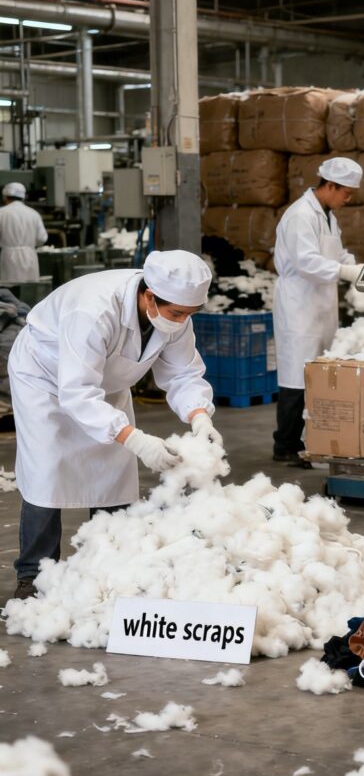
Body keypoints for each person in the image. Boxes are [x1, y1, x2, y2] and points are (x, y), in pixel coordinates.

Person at [6, 250, 220, 601]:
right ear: (149, 296)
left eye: (190, 314)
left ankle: (110, 563)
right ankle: (33, 575)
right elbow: (76, 392)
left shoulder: (175, 314)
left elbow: (183, 372)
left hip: (107, 382)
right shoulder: (93, 311)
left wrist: (200, 416)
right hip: (46, 380)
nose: (182, 321)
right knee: (47, 472)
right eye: (177, 313)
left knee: (114, 475)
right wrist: (136, 440)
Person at [272, 156, 363, 465]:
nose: (348, 199)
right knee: (296, 377)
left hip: (320, 302)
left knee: (316, 373)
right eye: (346, 193)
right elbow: (306, 262)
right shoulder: (301, 215)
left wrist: (357, 268)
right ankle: (285, 445)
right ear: (331, 185)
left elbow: (336, 253)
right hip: (298, 302)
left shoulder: (327, 216)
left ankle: (312, 440)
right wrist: (346, 272)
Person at [0, 181, 48, 282]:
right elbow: (42, 238)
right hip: (29, 256)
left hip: (9, 257)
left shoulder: (2, 213)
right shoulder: (33, 213)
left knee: (10, 287)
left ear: (5, 197)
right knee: (29, 288)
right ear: (23, 197)